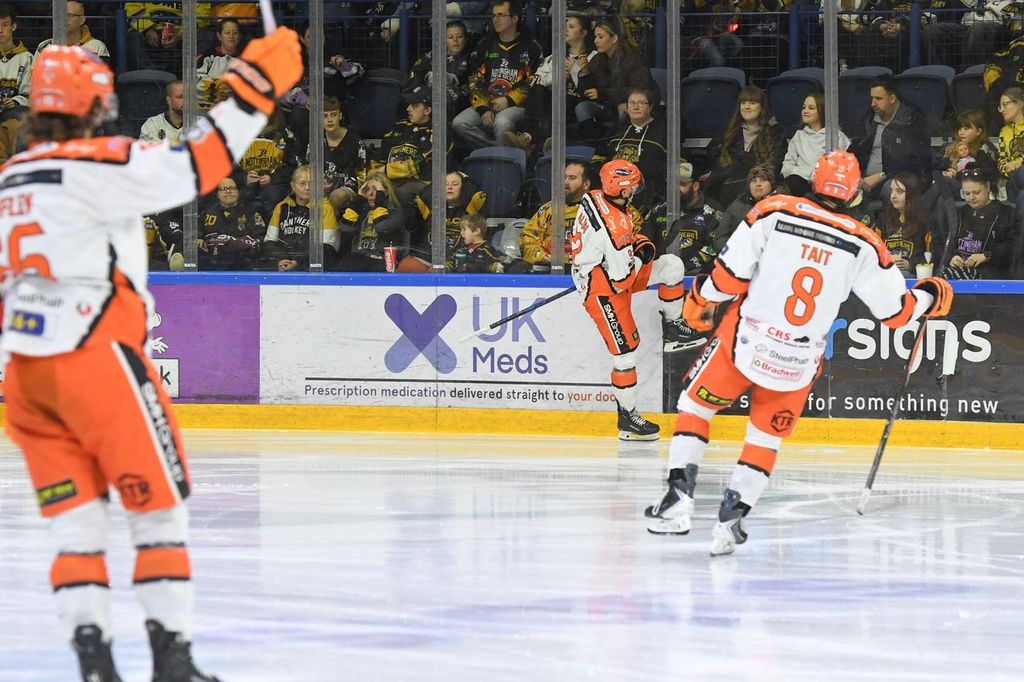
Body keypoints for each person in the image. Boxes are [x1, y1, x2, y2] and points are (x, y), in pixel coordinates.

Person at [0, 30, 301, 682]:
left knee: (75, 525)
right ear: (97, 105)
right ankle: (172, 659)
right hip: (95, 359)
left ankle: (93, 664)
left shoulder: (9, 178)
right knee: (157, 511)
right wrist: (256, 89)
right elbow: (198, 164)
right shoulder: (97, 164)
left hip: (24, 377)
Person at [644, 150, 954, 555]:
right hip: (797, 361)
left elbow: (727, 278)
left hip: (745, 342)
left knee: (695, 407)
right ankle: (732, 520)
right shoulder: (865, 243)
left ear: (812, 180)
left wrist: (701, 297)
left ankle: (677, 502)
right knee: (765, 437)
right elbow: (897, 315)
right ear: (855, 193)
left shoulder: (773, 211)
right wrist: (930, 295)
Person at [570, 159, 687, 441]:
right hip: (602, 290)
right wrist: (644, 251)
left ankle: (673, 326)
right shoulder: (616, 229)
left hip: (604, 268)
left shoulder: (594, 197)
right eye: (632, 187)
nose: (635, 191)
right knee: (625, 354)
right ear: (622, 189)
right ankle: (627, 417)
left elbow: (612, 244)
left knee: (672, 266)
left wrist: (636, 244)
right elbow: (623, 279)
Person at [452, 0, 542, 151]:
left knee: (502, 122)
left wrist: (509, 100)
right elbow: (474, 78)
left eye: (501, 15)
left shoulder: (531, 47)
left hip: (517, 106)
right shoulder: (484, 45)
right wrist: (483, 108)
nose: (496, 19)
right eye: (494, 15)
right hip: (488, 102)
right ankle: (504, 151)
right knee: (459, 123)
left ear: (514, 18)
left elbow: (535, 82)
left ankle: (504, 157)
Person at [849, 75, 932, 200]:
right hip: (864, 181)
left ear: (892, 98)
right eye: (872, 98)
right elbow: (855, 153)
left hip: (895, 180)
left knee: (891, 188)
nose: (873, 104)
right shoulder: (868, 120)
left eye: (878, 98)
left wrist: (882, 176)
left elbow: (915, 165)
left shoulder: (912, 122)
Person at [575, 16, 654, 139]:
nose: (595, 41)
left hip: (629, 107)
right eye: (595, 37)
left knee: (623, 106)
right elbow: (584, 91)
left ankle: (623, 141)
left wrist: (603, 94)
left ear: (614, 38)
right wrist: (585, 73)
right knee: (582, 107)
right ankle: (594, 143)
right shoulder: (598, 59)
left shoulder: (633, 60)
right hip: (607, 107)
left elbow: (640, 91)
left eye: (600, 37)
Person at [706, 85, 785, 206]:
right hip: (727, 185)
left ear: (762, 107)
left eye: (752, 103)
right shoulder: (729, 132)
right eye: (743, 103)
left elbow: (774, 165)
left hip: (758, 186)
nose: (746, 107)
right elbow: (715, 159)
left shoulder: (775, 133)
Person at [400, 170, 487, 273]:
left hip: (455, 257)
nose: (449, 187)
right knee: (407, 266)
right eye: (445, 184)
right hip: (426, 255)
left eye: (455, 184)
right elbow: (424, 195)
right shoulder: (431, 207)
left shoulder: (470, 209)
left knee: (437, 272)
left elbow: (478, 194)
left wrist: (466, 180)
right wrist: (438, 177)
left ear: (463, 187)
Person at [261, 164, 341, 272]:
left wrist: (297, 262)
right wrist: (280, 260)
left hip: (310, 267)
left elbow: (329, 247)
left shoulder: (325, 209)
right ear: (293, 186)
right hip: (282, 264)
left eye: (312, 184)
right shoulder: (281, 207)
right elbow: (269, 241)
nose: (307, 188)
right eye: (302, 183)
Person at [598, 87, 667, 212]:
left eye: (641, 103)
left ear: (650, 107)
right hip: (613, 189)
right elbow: (599, 157)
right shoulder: (616, 130)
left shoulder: (663, 131)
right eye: (632, 103)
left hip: (648, 191)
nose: (636, 107)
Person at [944, 165, 1017, 280]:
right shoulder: (958, 213)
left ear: (987, 186)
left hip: (989, 273)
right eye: (966, 194)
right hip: (958, 271)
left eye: (976, 192)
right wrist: (952, 258)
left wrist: (987, 255)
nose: (971, 197)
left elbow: (1014, 245)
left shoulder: (1005, 213)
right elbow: (945, 243)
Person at [780, 92, 850, 197]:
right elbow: (786, 167)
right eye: (804, 107)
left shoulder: (838, 137)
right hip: (798, 185)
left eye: (811, 108)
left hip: (825, 189)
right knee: (793, 181)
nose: (805, 111)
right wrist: (809, 175)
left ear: (823, 111)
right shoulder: (798, 136)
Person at [334, 171, 406, 272]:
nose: (370, 194)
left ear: (385, 192)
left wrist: (380, 200)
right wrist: (359, 200)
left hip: (382, 260)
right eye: (367, 189)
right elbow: (345, 229)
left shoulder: (395, 212)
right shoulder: (362, 210)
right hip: (358, 258)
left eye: (376, 190)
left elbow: (382, 227)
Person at [711, 162, 781, 254]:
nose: (758, 184)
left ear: (772, 185)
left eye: (763, 180)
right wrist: (736, 252)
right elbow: (720, 238)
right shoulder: (736, 207)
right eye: (754, 181)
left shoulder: (783, 206)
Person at [871, 172, 932, 278]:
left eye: (899, 192)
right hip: (886, 271)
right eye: (892, 191)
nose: (893, 196)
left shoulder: (924, 220)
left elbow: (931, 256)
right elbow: (873, 250)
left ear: (911, 194)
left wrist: (910, 265)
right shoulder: (883, 219)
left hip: (912, 274)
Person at [199, 176, 266, 271]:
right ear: (217, 194)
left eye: (232, 188)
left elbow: (259, 238)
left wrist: (234, 243)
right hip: (211, 260)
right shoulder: (207, 213)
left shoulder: (250, 213)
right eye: (223, 189)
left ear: (238, 192)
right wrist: (198, 238)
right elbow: (196, 231)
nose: (228, 191)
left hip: (240, 261)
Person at [0, 4, 31, 163]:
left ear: (13, 26)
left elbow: (29, 93)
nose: (0, 30)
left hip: (12, 113)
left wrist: (15, 101)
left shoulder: (26, 58)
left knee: (15, 124)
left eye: (5, 25)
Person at [35, 1, 111, 61]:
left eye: (69, 15)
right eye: (60, 15)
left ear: (82, 20)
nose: (64, 19)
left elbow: (102, 75)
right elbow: (35, 75)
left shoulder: (97, 47)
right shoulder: (44, 47)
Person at [196, 18, 244, 109]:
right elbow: (196, 80)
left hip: (233, 109)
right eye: (227, 32)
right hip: (205, 107)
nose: (231, 36)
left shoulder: (246, 61)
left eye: (235, 33)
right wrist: (221, 86)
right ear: (219, 36)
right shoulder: (207, 56)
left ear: (240, 36)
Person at [139, 79, 184, 144]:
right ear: (169, 100)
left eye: (189, 96)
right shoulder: (153, 125)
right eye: (180, 97)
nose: (186, 100)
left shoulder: (198, 123)